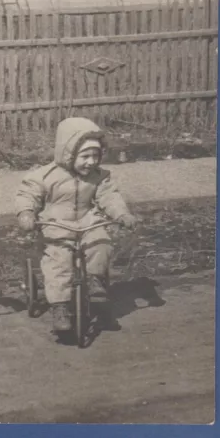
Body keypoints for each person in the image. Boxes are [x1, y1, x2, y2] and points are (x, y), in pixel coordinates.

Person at [14, 117, 138, 332]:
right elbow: (28, 194)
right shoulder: (44, 176)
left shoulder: (99, 177)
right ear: (68, 153)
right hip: (55, 223)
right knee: (58, 260)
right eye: (85, 156)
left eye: (95, 156)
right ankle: (60, 306)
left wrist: (122, 214)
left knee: (101, 243)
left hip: (88, 220)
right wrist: (26, 213)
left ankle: (94, 281)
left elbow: (109, 197)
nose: (90, 162)